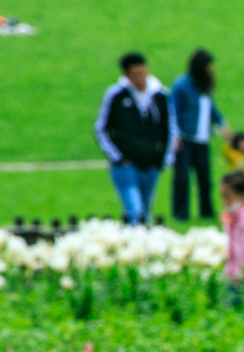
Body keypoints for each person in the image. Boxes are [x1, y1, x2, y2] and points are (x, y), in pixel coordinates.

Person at [94, 52, 178, 225]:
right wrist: (117, 157)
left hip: (151, 163)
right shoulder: (116, 96)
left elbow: (171, 129)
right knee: (135, 210)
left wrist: (165, 158)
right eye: (135, 75)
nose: (141, 79)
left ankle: (139, 247)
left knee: (146, 210)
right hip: (126, 165)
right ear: (127, 76)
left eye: (143, 73)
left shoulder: (161, 96)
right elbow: (101, 128)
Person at [170, 49, 225, 222]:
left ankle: (206, 212)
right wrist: (175, 134)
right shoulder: (181, 85)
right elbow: (173, 111)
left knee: (205, 179)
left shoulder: (204, 86)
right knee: (182, 179)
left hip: (202, 139)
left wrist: (221, 123)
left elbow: (211, 108)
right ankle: (180, 213)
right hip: (185, 138)